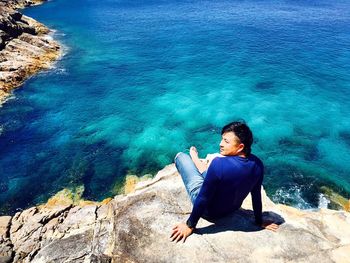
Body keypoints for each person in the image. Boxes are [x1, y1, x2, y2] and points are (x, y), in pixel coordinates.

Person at [170, 121, 279, 243]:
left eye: (226, 142)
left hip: (209, 212)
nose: (220, 144)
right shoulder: (258, 165)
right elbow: (256, 196)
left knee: (181, 157)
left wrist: (190, 225)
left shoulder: (219, 163)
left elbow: (202, 198)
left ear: (240, 147)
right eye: (222, 139)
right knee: (211, 173)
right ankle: (196, 159)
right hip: (231, 209)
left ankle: (193, 157)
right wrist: (259, 221)